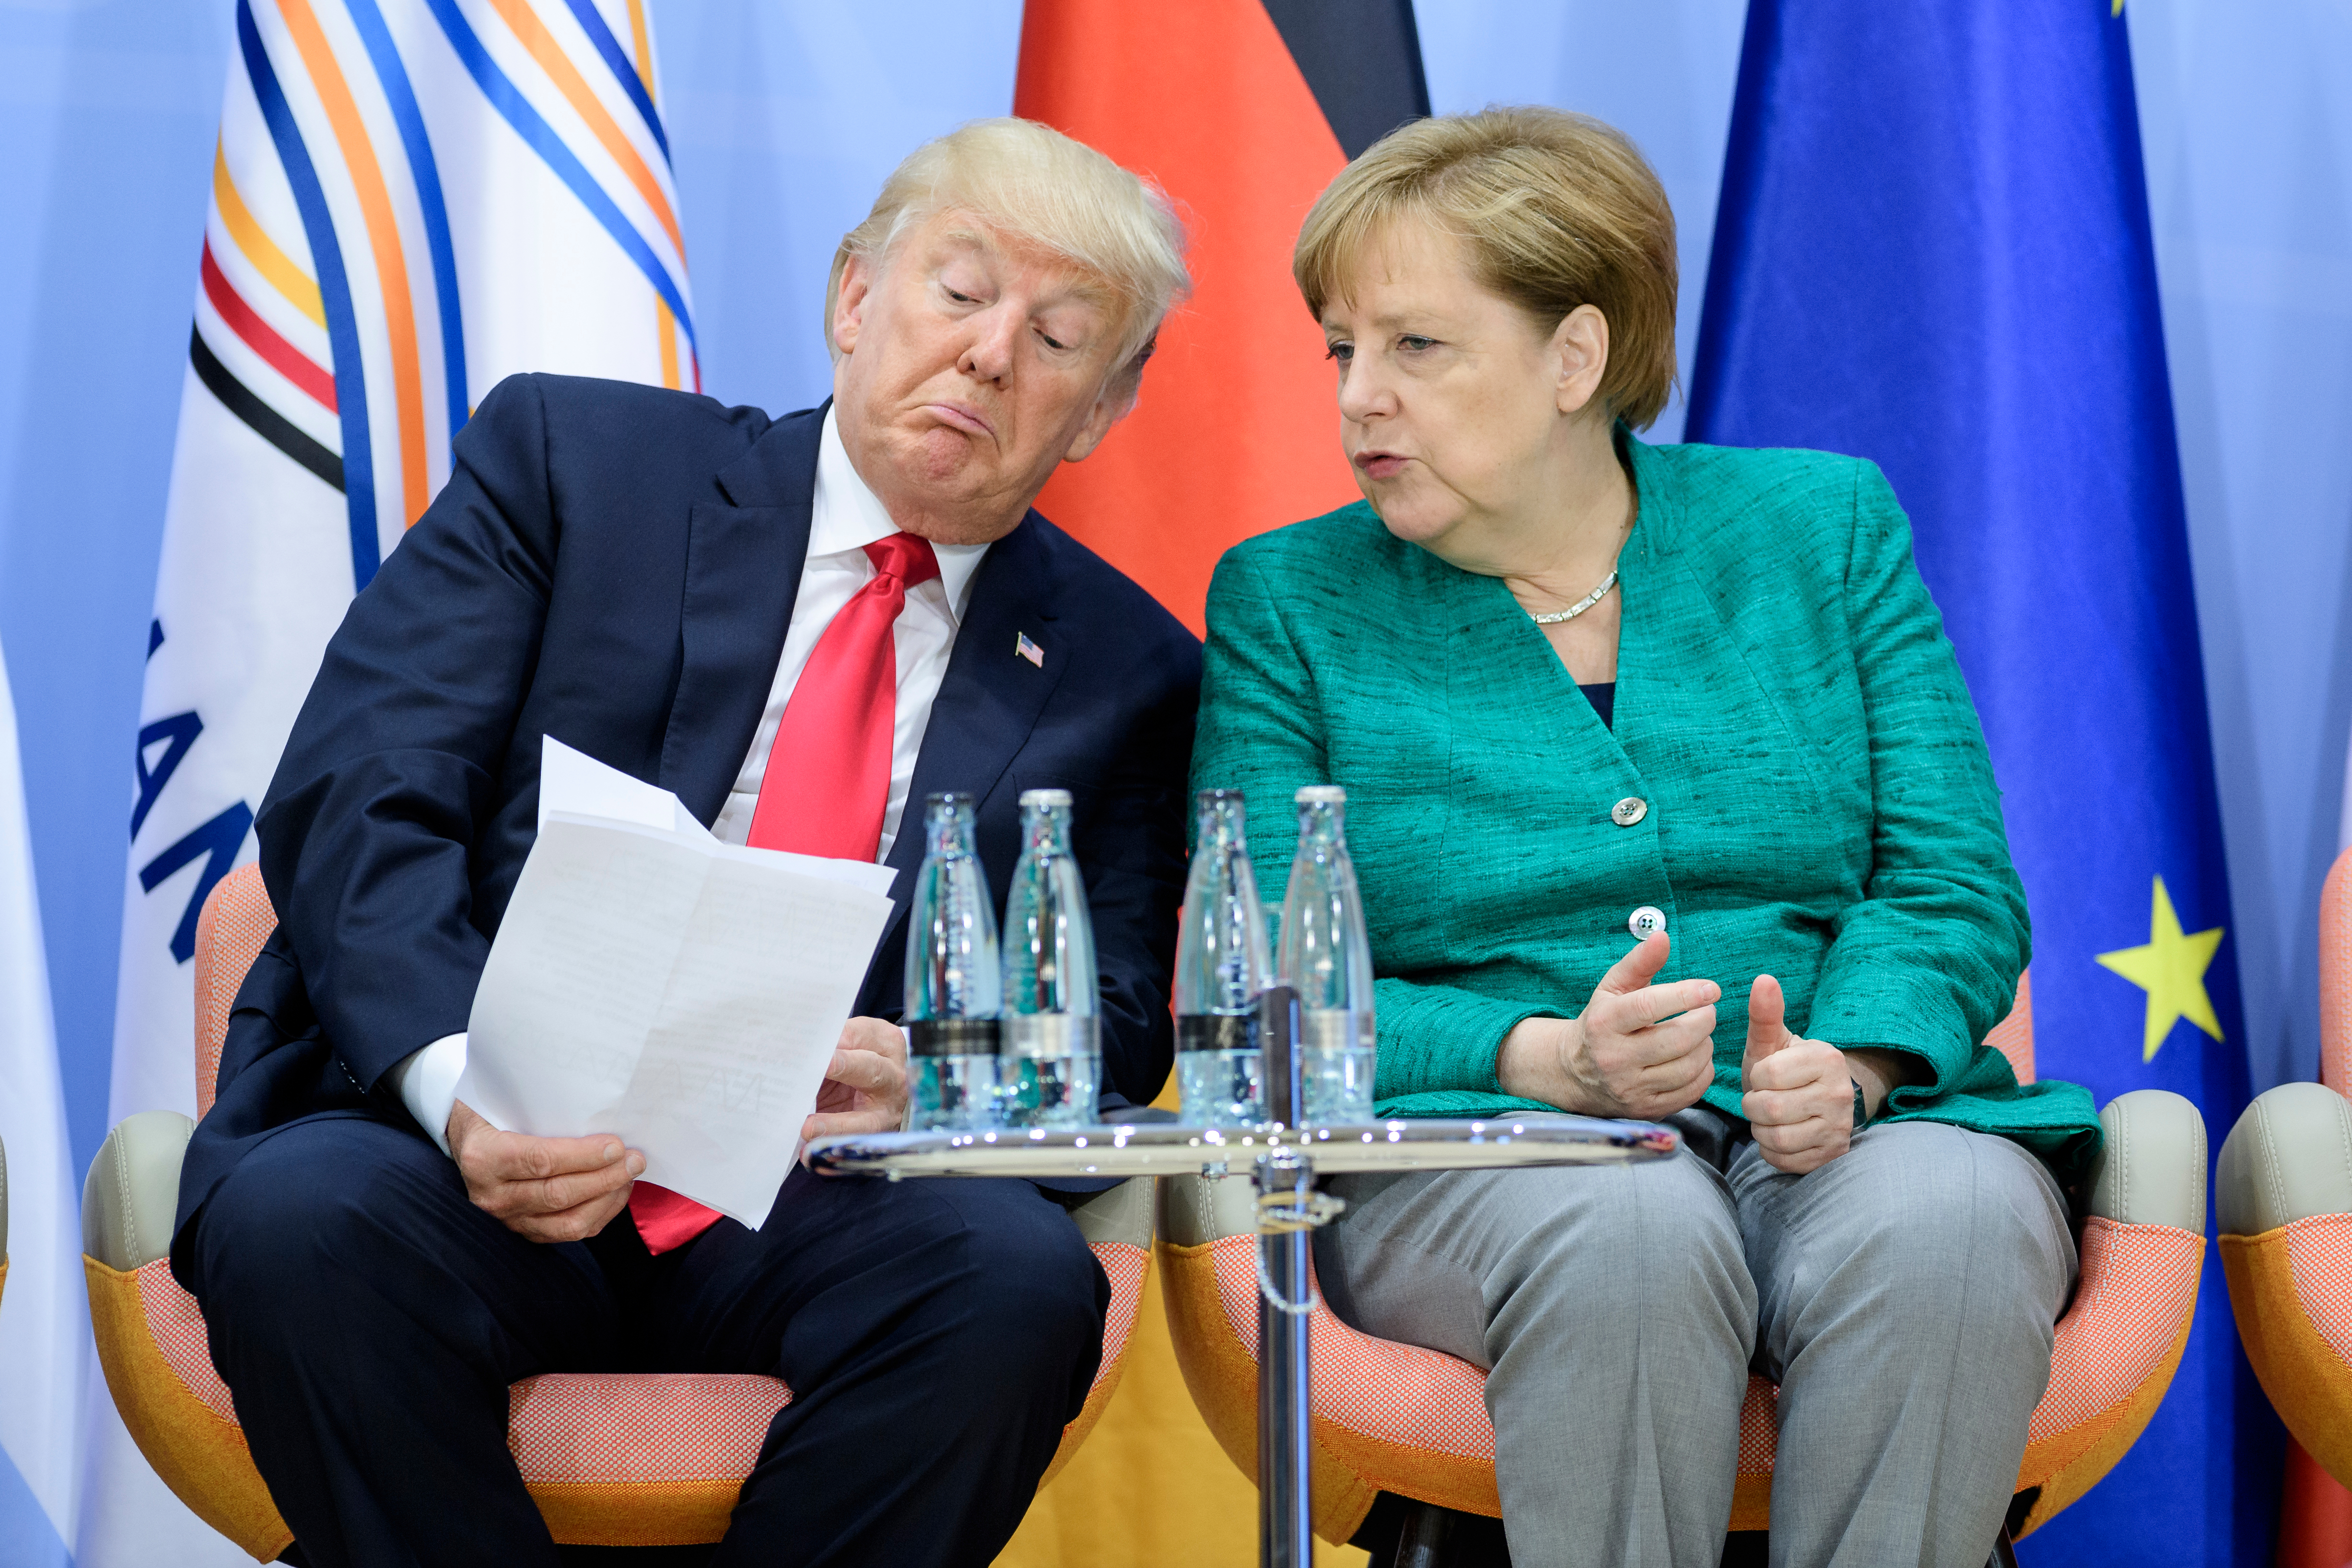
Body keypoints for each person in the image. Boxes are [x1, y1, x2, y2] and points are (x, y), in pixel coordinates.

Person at [173, 118, 1200, 1568]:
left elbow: (1109, 1024)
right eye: (959, 293)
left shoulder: (1127, 668)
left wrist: (941, 1072)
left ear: (1100, 408)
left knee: (1015, 1288)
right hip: (460, 1142)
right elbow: (362, 794)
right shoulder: (578, 467)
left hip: (823, 1194)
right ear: (855, 297)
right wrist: (466, 1092)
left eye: (1058, 335)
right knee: (301, 1231)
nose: (987, 354)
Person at [1191, 107, 2105, 1568]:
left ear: (1573, 358)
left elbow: (1947, 881)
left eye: (1416, 348)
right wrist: (1535, 1059)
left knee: (1948, 1217)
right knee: (1621, 1229)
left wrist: (1854, 1067)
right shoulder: (1289, 601)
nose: (1359, 399)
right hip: (1475, 1157)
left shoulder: (1820, 526)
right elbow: (1252, 989)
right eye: (1339, 349)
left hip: (1840, 1125)